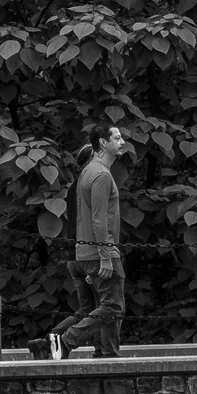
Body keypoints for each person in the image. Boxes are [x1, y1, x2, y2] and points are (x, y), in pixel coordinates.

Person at [52, 127, 128, 360]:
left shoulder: (88, 172)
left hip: (87, 250)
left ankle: (105, 354)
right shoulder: (101, 175)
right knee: (113, 307)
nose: (122, 142)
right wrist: (105, 255)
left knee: (103, 307)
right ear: (103, 143)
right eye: (117, 138)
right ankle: (66, 341)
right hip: (100, 250)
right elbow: (99, 218)